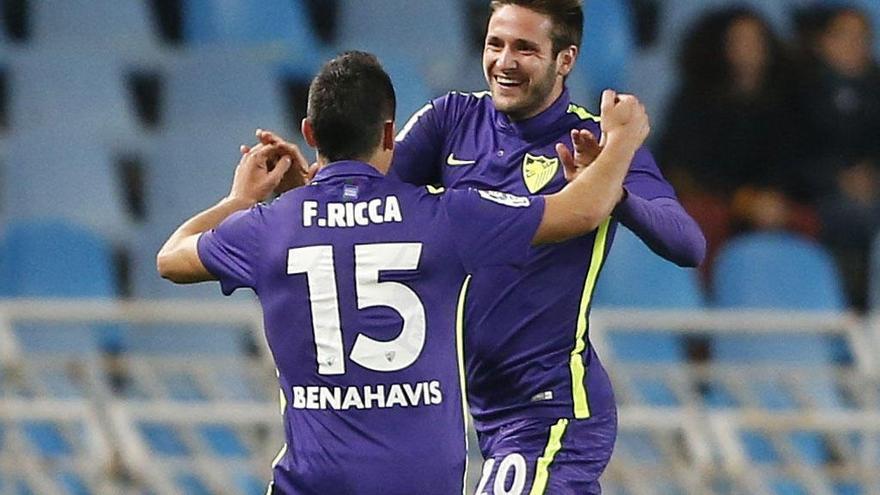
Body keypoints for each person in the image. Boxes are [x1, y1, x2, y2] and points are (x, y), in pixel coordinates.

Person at [254, 1, 705, 493]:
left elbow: (687, 243)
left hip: (549, 407)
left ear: (566, 59)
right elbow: (374, 200)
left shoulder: (597, 142)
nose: (504, 61)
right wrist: (312, 189)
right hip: (464, 405)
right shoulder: (452, 119)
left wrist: (612, 192)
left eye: (525, 48)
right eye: (496, 44)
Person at [158, 50, 653, 494]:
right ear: (390, 133)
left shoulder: (268, 227)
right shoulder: (444, 216)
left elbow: (171, 257)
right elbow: (581, 211)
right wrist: (622, 142)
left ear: (309, 134)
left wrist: (239, 200)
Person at [657, 7, 815, 277]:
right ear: (721, 47)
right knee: (702, 219)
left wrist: (772, 197)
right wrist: (742, 200)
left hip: (771, 199)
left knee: (808, 220)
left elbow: (795, 160)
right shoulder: (694, 99)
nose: (749, 50)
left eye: (756, 41)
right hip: (714, 198)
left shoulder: (788, 101)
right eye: (739, 41)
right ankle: (699, 303)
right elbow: (684, 166)